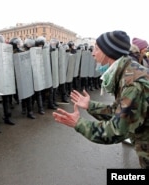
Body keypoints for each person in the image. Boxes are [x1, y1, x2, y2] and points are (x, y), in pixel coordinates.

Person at [52, 30, 149, 169]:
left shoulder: (132, 84)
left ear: (108, 52)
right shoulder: (127, 72)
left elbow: (117, 131)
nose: (92, 53)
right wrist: (90, 105)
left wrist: (78, 123)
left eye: (96, 48)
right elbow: (118, 111)